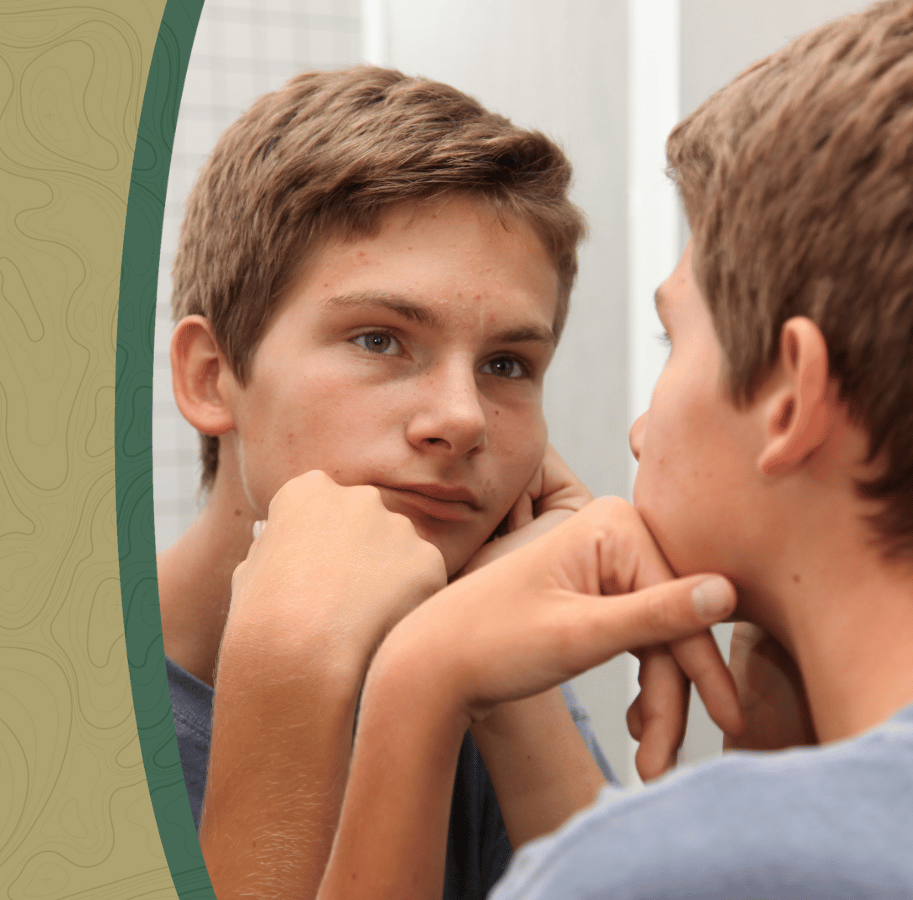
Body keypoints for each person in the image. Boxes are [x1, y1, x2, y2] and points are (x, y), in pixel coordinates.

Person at [233, 0, 913, 896]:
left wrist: (420, 681)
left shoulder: (679, 867)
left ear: (791, 402)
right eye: (378, 342)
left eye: (672, 340)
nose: (639, 428)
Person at [155, 64, 675, 900]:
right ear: (213, 378)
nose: (463, 417)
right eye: (379, 340)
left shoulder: (457, 662)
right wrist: (291, 682)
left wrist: (510, 688)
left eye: (508, 363)